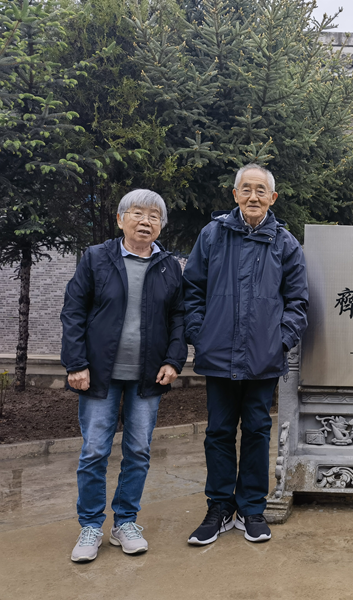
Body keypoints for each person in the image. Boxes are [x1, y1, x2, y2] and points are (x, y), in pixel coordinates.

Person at [183, 164, 308, 545]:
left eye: (260, 190)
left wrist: (279, 342)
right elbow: (192, 290)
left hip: (262, 358)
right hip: (218, 355)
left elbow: (298, 302)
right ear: (235, 194)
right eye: (246, 189)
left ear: (273, 197)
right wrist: (200, 335)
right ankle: (219, 508)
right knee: (219, 432)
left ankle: (252, 508)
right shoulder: (212, 235)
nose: (253, 196)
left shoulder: (285, 244)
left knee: (256, 431)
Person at [61, 190, 187, 562]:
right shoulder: (96, 258)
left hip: (148, 376)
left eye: (154, 216)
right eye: (137, 213)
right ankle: (90, 526)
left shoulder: (168, 267)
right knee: (94, 451)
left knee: (139, 451)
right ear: (120, 219)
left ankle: (125, 522)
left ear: (161, 225)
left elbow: (178, 317)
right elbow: (73, 311)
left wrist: (174, 360)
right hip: (99, 374)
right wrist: (76, 363)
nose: (145, 221)